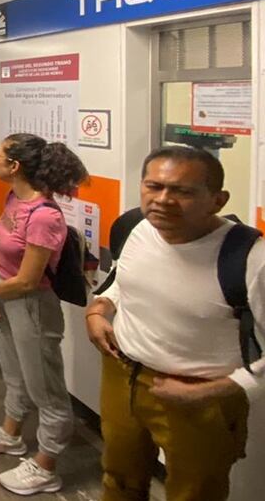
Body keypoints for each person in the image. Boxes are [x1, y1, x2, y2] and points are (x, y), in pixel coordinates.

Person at [85, 146, 262, 501]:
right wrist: (99, 308)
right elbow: (124, 277)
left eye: (182, 191)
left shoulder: (250, 258)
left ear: (217, 199)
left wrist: (210, 391)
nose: (163, 200)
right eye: (153, 186)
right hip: (123, 375)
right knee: (118, 479)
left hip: (201, 395)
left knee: (195, 492)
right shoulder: (139, 227)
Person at [0, 133, 88, 496]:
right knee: (14, 371)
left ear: (15, 166)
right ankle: (11, 433)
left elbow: (29, 280)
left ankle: (47, 464)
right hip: (4, 295)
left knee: (46, 388)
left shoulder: (44, 216)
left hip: (32, 305)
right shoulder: (13, 199)